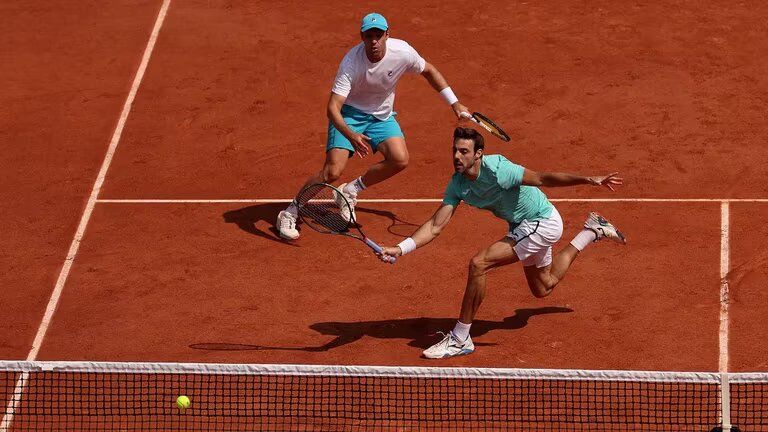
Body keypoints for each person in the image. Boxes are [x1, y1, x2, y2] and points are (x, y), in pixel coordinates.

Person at [376, 127, 627, 359]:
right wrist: (401, 248)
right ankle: (592, 231)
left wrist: (588, 179)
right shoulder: (458, 184)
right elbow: (434, 226)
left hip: (541, 221)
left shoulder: (498, 170)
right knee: (543, 287)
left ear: (478, 154)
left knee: (479, 264)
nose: (456, 156)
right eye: (454, 150)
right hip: (523, 226)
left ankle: (461, 337)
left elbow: (541, 178)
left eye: (464, 151)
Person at [276, 12, 470, 240]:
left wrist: (454, 103)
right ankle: (290, 211)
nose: (374, 41)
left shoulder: (403, 52)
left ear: (387, 35)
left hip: (381, 116)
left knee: (400, 159)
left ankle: (351, 190)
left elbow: (429, 70)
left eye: (378, 35)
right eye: (369, 36)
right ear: (362, 37)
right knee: (332, 171)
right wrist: (351, 134)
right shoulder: (351, 63)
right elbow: (332, 108)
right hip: (349, 115)